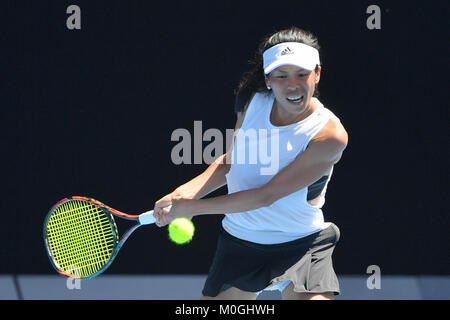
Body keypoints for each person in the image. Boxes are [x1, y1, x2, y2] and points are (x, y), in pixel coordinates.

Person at [153, 26, 348, 300]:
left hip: (303, 246)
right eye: (281, 76)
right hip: (241, 245)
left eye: (302, 74)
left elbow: (266, 195)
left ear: (317, 74)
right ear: (268, 79)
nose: (293, 85)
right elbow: (230, 163)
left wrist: (192, 208)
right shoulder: (252, 101)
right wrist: (181, 195)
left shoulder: (329, 135)